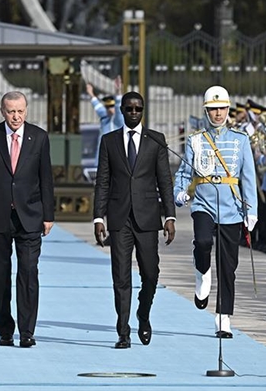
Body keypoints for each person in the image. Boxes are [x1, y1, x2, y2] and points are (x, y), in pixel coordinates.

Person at [0, 91, 55, 349]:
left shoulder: (39, 137)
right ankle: (5, 330)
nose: (15, 116)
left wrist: (48, 215)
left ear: (26, 110)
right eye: (10, 111)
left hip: (30, 216)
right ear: (2, 111)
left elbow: (46, 179)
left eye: (20, 111)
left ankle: (27, 332)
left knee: (28, 273)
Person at [93, 91, 176, 349]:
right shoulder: (109, 142)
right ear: (121, 110)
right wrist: (99, 217)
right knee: (120, 276)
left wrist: (170, 216)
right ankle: (123, 331)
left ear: (143, 111)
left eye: (137, 109)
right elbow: (102, 182)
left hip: (148, 218)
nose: (133, 113)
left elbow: (165, 181)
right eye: (128, 109)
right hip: (119, 219)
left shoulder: (156, 140)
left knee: (151, 274)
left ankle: (143, 313)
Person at [173, 85, 258, 338]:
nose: (217, 114)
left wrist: (251, 210)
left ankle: (223, 317)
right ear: (206, 111)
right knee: (201, 242)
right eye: (212, 109)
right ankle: (202, 272)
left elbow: (248, 177)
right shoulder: (195, 140)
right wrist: (179, 192)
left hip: (231, 207)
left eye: (221, 109)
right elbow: (185, 172)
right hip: (203, 203)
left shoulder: (240, 140)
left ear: (228, 109)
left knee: (228, 265)